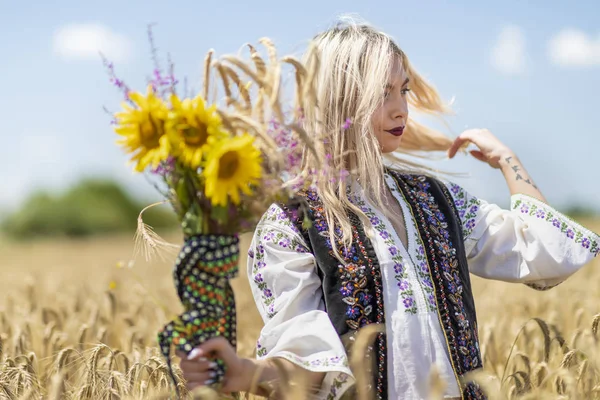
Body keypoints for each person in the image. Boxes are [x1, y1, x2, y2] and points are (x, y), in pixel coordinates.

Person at [178, 17, 599, 400]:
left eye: (404, 90)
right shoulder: (292, 222)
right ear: (339, 100)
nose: (401, 108)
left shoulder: (436, 198)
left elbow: (543, 252)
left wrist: (507, 159)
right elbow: (309, 368)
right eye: (382, 93)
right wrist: (245, 373)